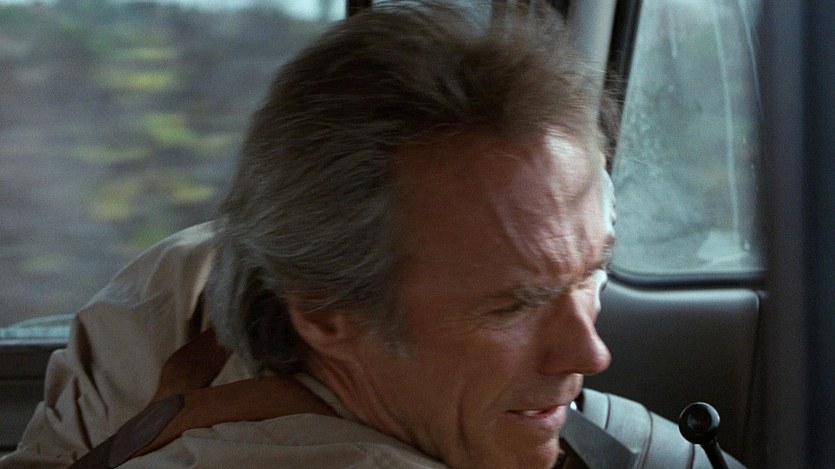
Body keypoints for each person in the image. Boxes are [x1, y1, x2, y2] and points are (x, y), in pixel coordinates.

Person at [2, 2, 618, 468]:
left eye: (590, 272)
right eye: (512, 306)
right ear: (325, 313)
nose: (590, 353)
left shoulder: (177, 280)